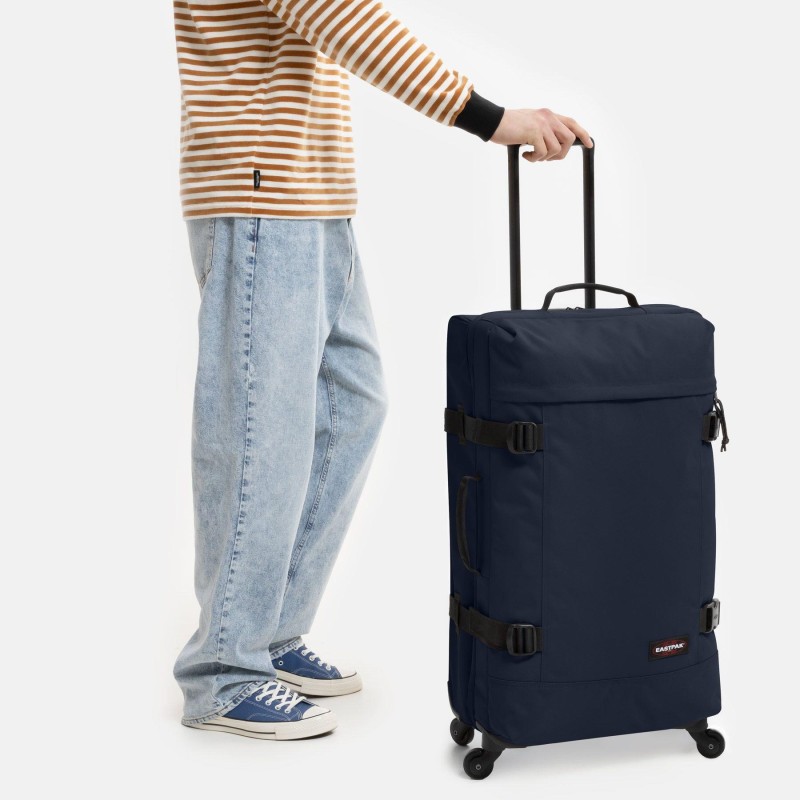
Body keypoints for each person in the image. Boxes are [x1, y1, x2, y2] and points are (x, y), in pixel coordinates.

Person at [172, 0, 592, 741]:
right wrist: (490, 118)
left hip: (311, 198)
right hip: (260, 192)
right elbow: (342, 17)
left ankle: (268, 632)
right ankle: (224, 671)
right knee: (260, 432)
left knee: (353, 404)